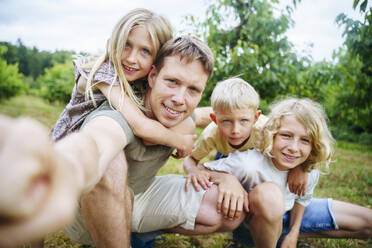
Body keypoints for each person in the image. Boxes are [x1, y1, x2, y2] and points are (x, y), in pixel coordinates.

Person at [0, 36, 284, 248]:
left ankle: (131, 234)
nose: (179, 98)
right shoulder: (118, 113)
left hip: (139, 198)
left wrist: (231, 178)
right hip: (83, 205)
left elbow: (229, 116)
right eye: (172, 82)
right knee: (111, 163)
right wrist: (61, 167)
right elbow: (95, 145)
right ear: (153, 76)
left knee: (226, 209)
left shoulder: (182, 114)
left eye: (193, 89)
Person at [201, 97, 372, 247]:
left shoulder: (307, 167)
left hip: (286, 218)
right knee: (269, 194)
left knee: (367, 222)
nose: (293, 148)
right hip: (252, 225)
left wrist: (293, 233)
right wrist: (227, 179)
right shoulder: (249, 163)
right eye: (286, 136)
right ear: (272, 134)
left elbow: (302, 200)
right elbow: (203, 169)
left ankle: (284, 238)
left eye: (305, 140)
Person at [51, 8, 196, 159]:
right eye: (126, 45)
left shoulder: (142, 80)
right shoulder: (103, 73)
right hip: (66, 153)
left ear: (158, 59)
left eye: (145, 51)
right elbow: (141, 125)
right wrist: (180, 141)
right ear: (115, 43)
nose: (132, 58)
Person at [184, 77, 308, 195]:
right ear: (214, 119)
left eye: (243, 121)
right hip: (226, 155)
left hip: (259, 156)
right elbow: (190, 159)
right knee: (217, 189)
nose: (235, 130)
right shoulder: (211, 134)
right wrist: (193, 171)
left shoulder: (266, 129)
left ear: (255, 117)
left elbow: (291, 146)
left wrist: (300, 168)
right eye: (226, 121)